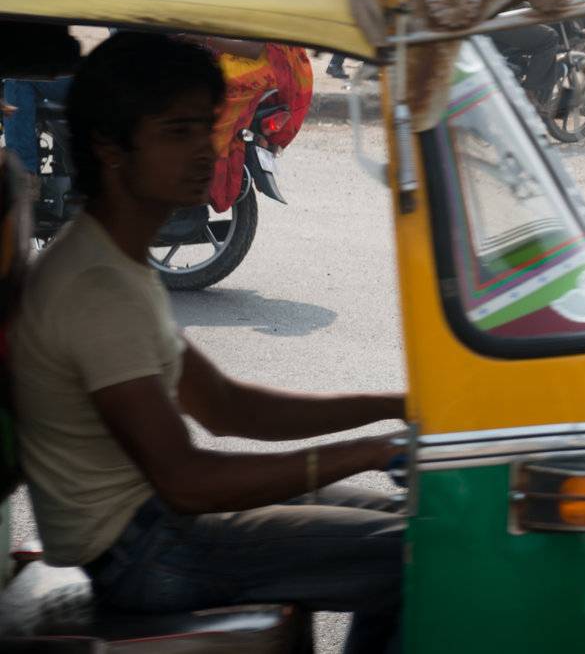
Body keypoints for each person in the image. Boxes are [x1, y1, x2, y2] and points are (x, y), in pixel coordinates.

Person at [10, 33, 405, 650]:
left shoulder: (119, 263)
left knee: (408, 524)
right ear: (111, 148)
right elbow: (187, 481)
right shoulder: (96, 287)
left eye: (205, 127)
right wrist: (372, 451)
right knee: (413, 555)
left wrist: (396, 409)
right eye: (178, 133)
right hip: (144, 551)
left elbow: (226, 408)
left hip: (159, 527)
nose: (206, 149)